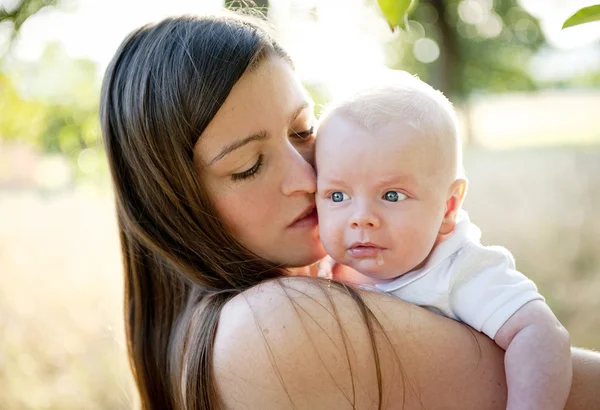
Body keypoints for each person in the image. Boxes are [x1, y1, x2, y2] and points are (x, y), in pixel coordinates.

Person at [99, 13, 600, 410]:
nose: (307, 178)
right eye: (249, 165)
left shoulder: (192, 340)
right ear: (171, 206)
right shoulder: (273, 325)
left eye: (302, 132)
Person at [314, 72, 571, 409]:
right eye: (337, 196)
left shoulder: (458, 270)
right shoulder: (320, 267)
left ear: (449, 206)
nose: (361, 217)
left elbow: (540, 335)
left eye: (392, 195)